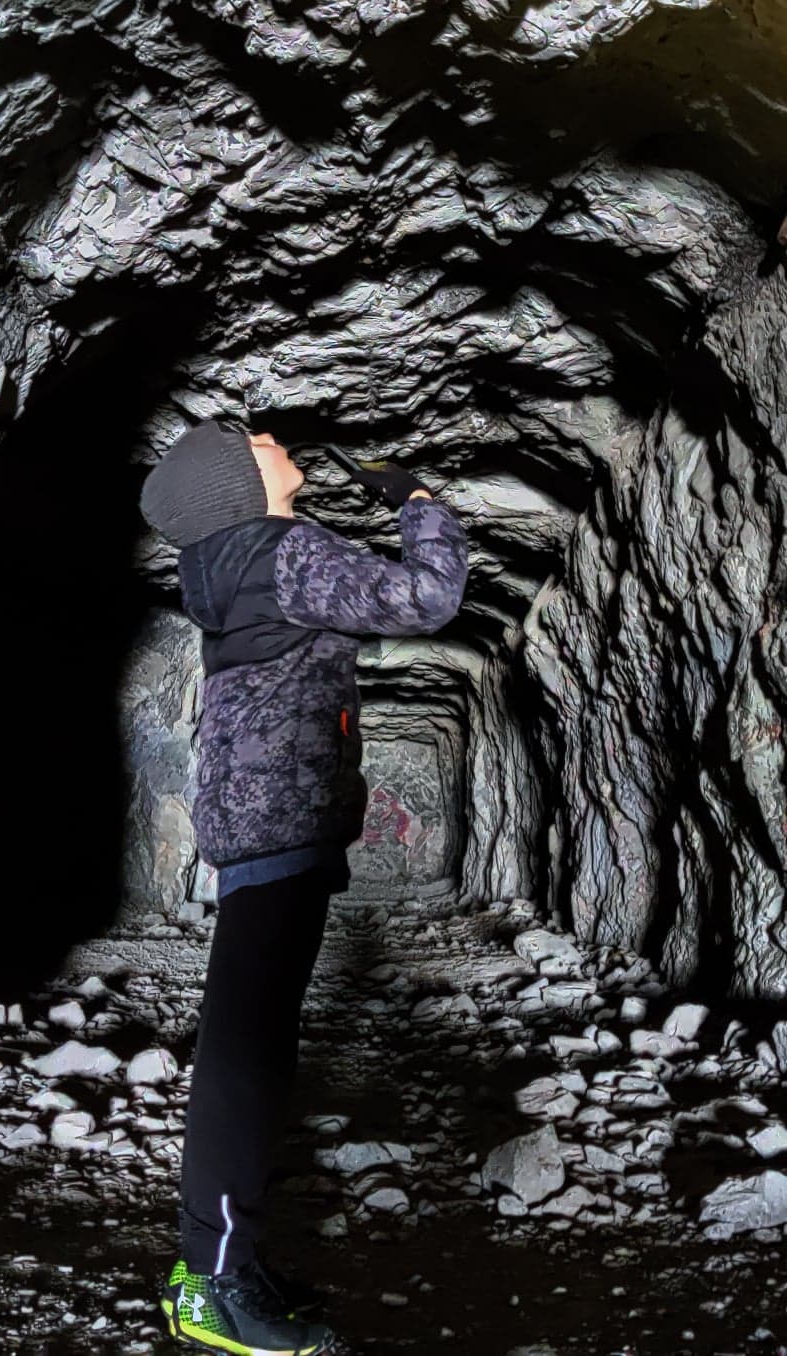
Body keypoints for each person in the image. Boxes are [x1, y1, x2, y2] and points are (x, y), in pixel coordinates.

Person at [137, 419, 469, 1355]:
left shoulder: (225, 563)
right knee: (243, 1054)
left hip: (257, 814)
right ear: (241, 483)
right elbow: (427, 597)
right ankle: (209, 1283)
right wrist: (416, 503)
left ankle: (229, 1263)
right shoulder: (282, 551)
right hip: (280, 816)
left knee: (255, 1041)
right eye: (253, 439)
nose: (273, 437)